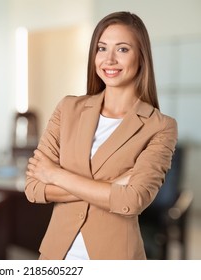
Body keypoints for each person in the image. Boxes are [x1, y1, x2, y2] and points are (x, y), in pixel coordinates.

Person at [25, 11, 178, 260]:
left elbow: (133, 199)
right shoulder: (68, 109)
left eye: (123, 49)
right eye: (102, 48)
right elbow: (33, 188)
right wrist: (114, 185)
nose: (109, 59)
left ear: (141, 57)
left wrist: (55, 175)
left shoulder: (160, 126)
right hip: (55, 256)